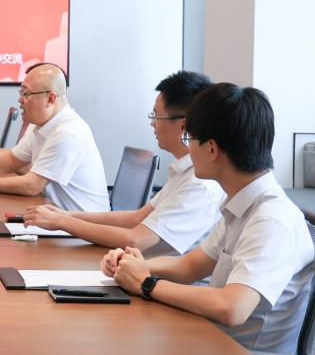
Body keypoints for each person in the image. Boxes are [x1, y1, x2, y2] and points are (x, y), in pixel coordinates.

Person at [104, 83, 314, 355]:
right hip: (210, 347)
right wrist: (135, 264)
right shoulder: (242, 204)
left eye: (190, 138)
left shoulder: (271, 220)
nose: (188, 147)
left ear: (212, 148)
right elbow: (191, 266)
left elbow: (232, 307)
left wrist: (146, 283)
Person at [21, 71, 222, 254]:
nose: (152, 123)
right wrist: (66, 215)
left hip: (157, 277)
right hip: (137, 267)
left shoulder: (199, 185)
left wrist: (62, 222)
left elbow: (135, 240)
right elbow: (136, 218)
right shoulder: (185, 170)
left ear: (183, 125)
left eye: (156, 116)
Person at [0, 63, 109, 210]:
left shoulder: (67, 133)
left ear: (50, 99)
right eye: (21, 93)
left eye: (26, 94)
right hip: (52, 213)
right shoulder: (40, 124)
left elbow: (32, 186)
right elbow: (11, 160)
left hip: (83, 224)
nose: (20, 99)